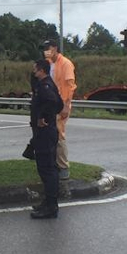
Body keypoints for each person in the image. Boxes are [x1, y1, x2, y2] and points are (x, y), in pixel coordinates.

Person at [29, 58, 63, 219]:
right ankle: (48, 201)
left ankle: (51, 206)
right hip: (45, 132)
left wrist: (43, 117)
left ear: (42, 70)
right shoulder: (46, 84)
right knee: (46, 168)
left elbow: (53, 102)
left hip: (45, 132)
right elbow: (60, 105)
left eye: (35, 70)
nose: (33, 73)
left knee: (47, 169)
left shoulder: (45, 86)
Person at [41, 39, 76, 180]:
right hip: (51, 103)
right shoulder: (49, 64)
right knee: (51, 134)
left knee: (59, 134)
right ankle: (54, 164)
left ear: (55, 48)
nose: (46, 51)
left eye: (48, 48)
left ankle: (63, 167)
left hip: (61, 104)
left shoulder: (66, 64)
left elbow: (70, 86)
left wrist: (66, 106)